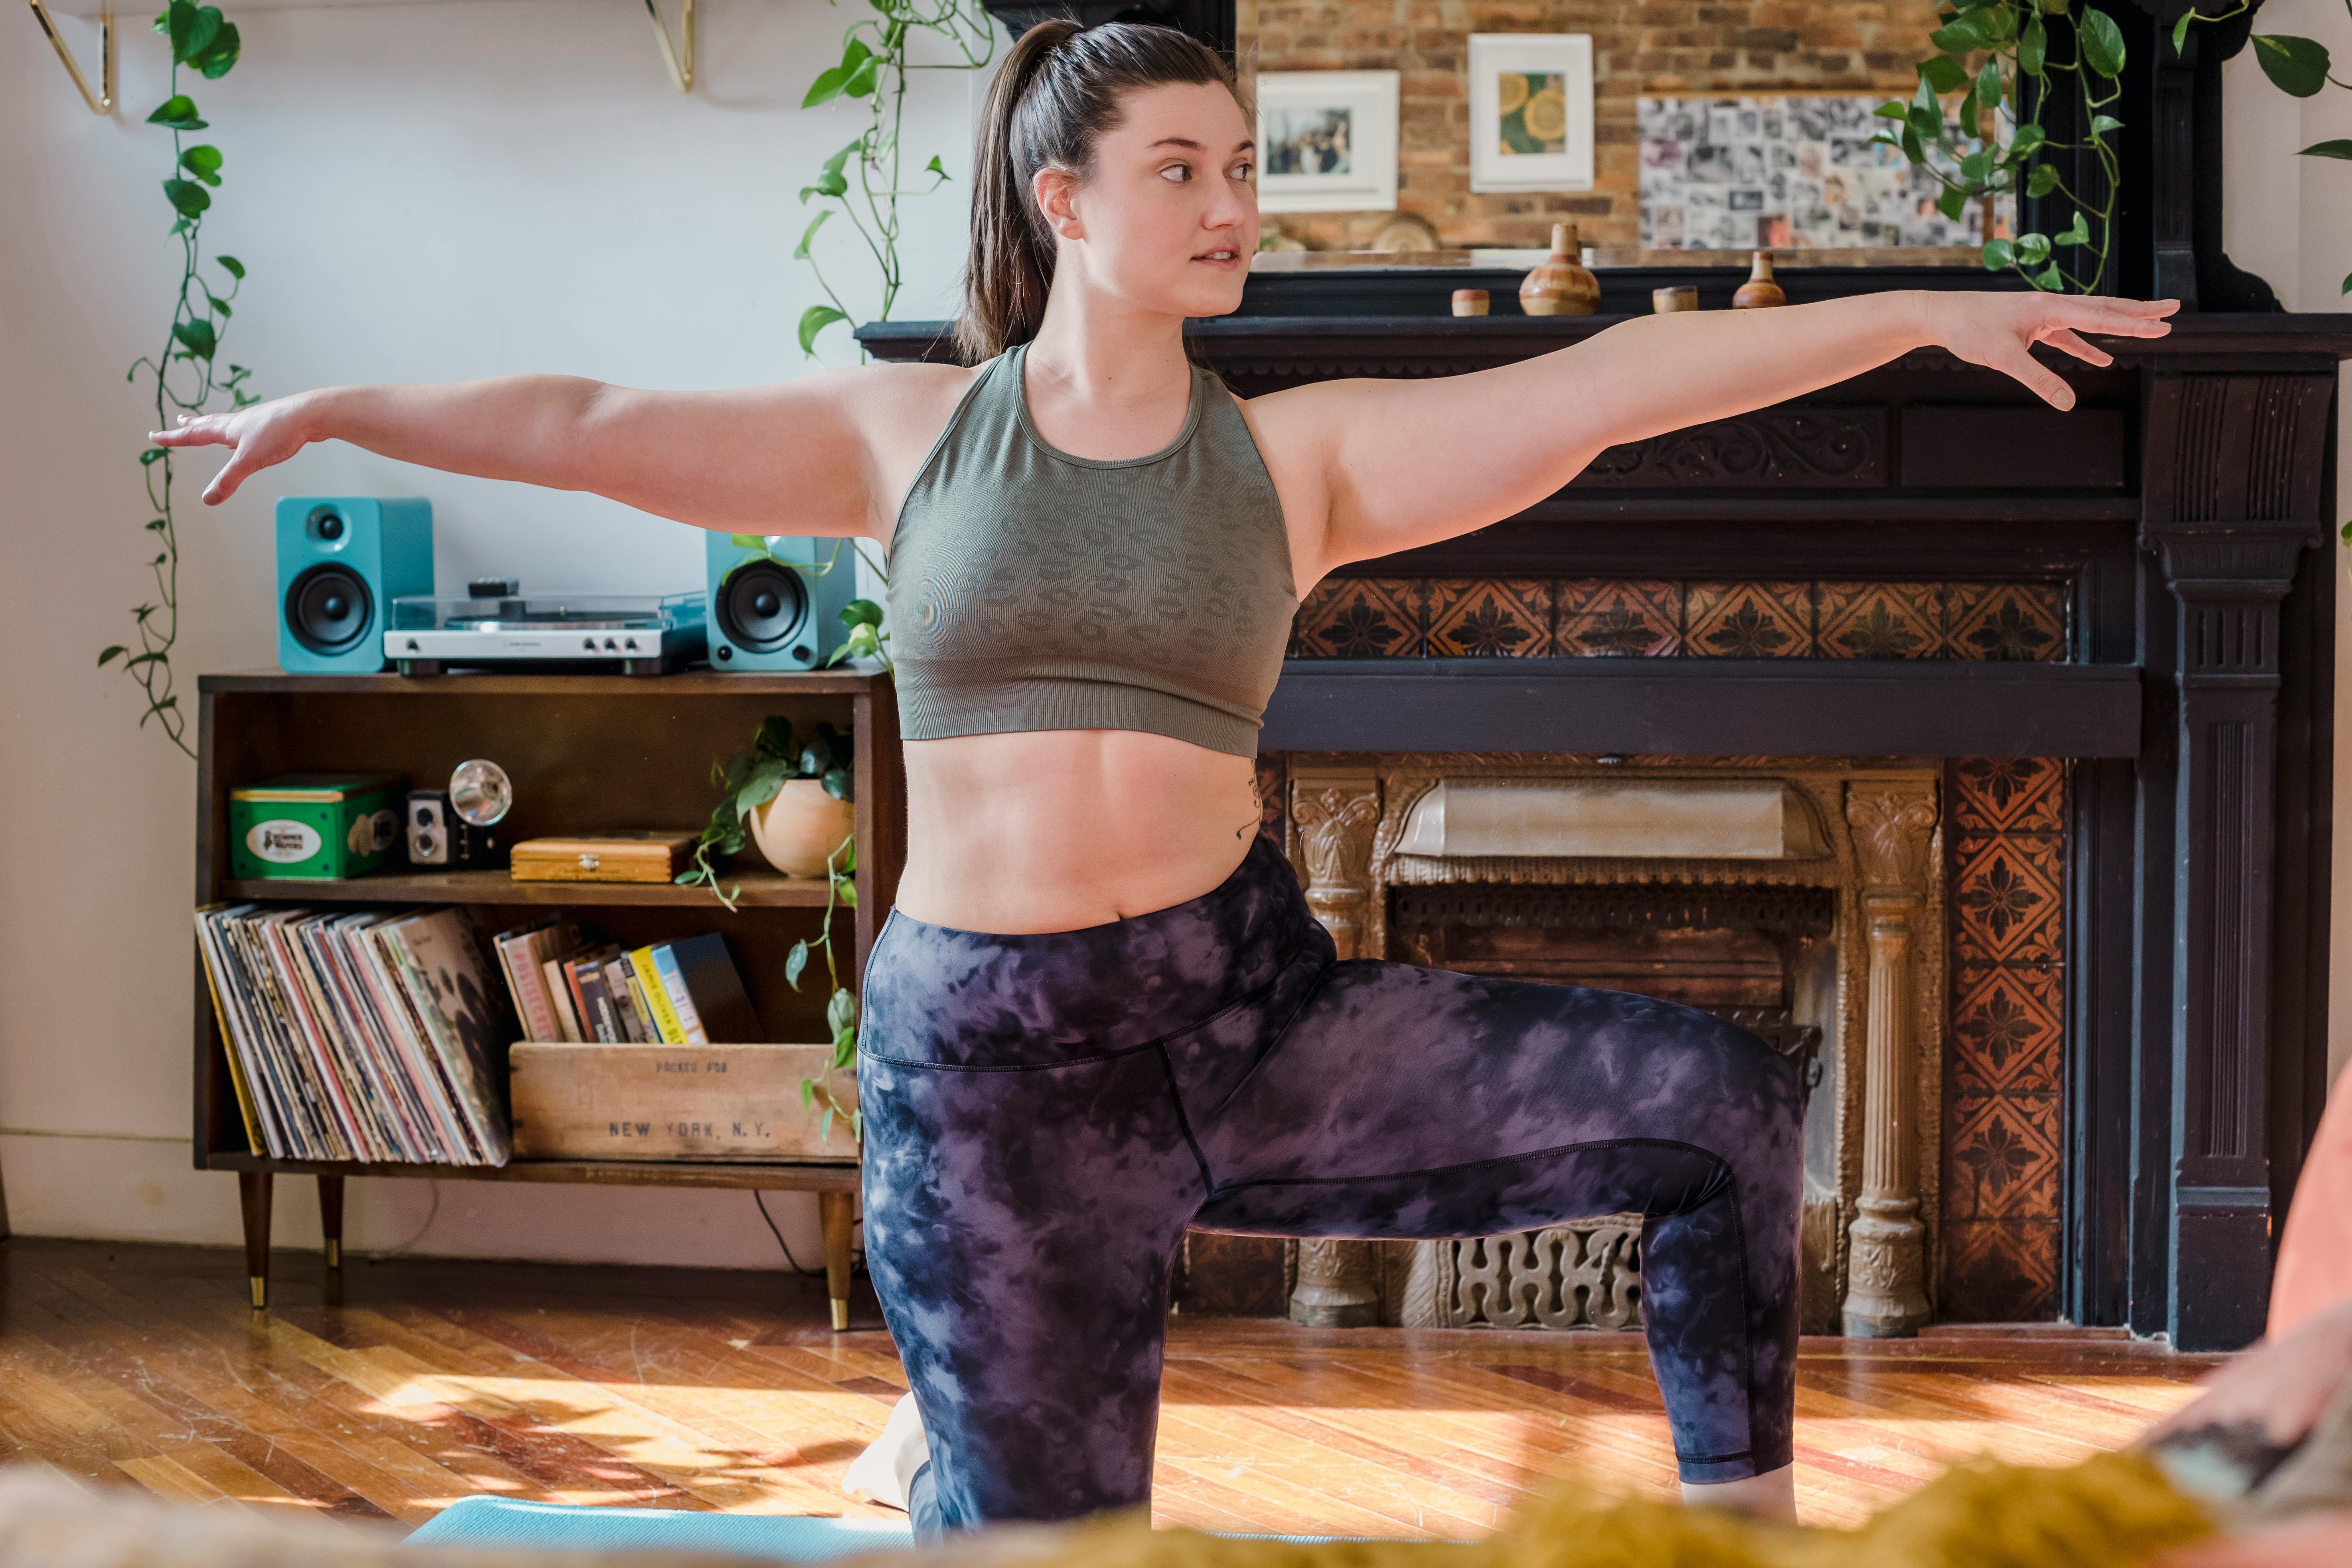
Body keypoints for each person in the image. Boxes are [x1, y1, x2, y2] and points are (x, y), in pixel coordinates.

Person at [150, 17, 2176, 1539]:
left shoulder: (1296, 457)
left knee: (1719, 1098)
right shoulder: (903, 434)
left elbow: (1609, 383)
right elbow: (591, 417)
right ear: (1065, 201)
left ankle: (1748, 1533)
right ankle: (952, 1452)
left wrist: (1917, 313)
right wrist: (336, 408)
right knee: (1053, 1541)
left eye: (1244, 168)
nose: (1232, 206)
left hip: (1244, 1015)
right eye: (1184, 168)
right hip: (989, 1077)